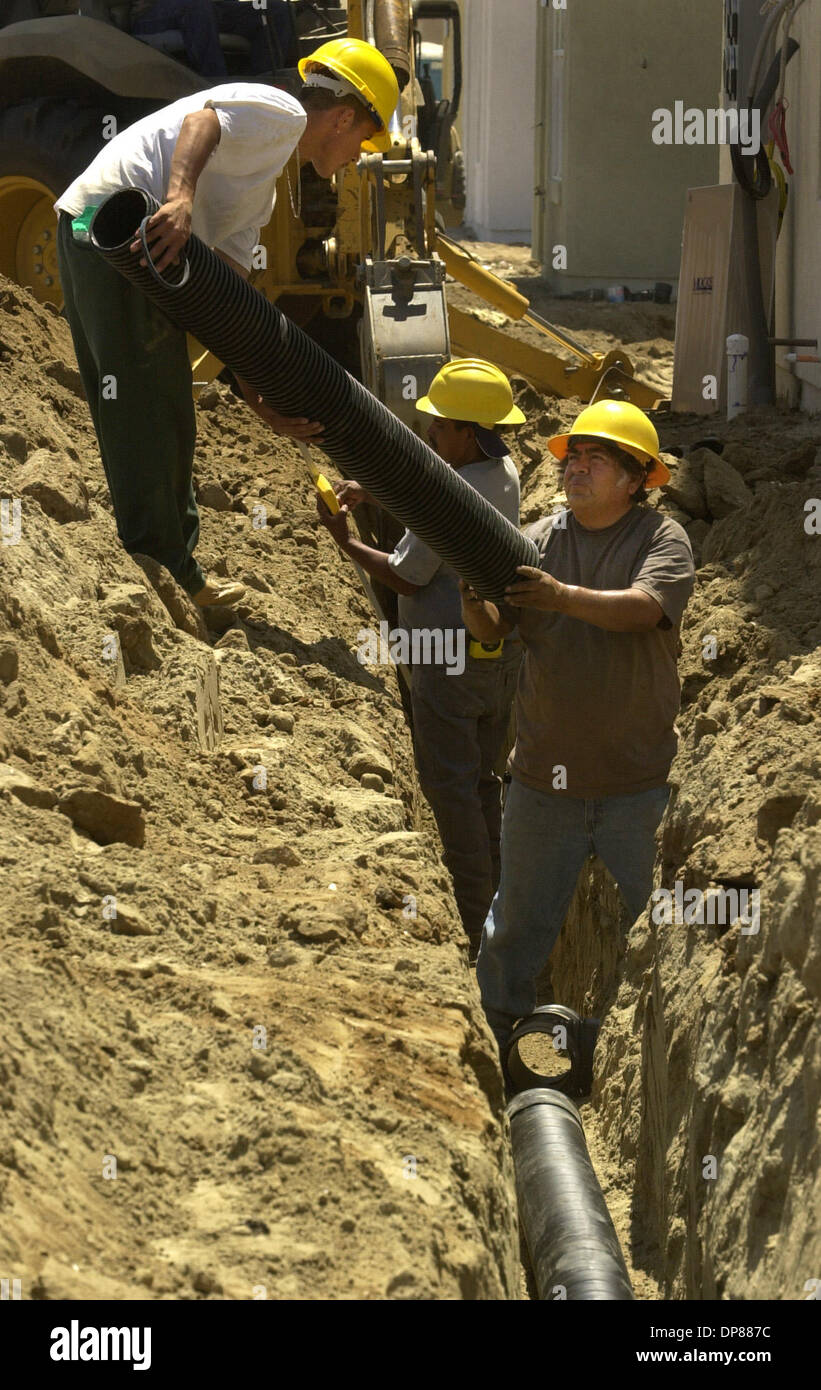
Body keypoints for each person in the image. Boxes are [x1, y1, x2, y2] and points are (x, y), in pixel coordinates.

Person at [55, 38, 398, 606]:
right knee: (148, 408)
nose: (360, 153)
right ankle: (168, 574)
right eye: (364, 136)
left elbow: (227, 302)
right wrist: (181, 197)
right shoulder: (282, 111)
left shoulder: (259, 191)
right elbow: (202, 121)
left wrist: (253, 391)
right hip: (115, 228)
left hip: (104, 232)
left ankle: (163, 566)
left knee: (154, 406)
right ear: (341, 117)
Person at [459, 399, 695, 1053]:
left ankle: (649, 1049)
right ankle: (499, 1046)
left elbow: (644, 610)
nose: (576, 469)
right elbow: (494, 631)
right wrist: (469, 599)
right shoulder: (539, 539)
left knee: (659, 929)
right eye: (572, 458)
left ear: (634, 477)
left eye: (595, 460)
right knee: (513, 932)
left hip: (636, 786)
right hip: (542, 783)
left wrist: (561, 597)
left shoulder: (660, 540)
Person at [316, 359, 524, 958]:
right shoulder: (498, 469)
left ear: (469, 431)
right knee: (485, 783)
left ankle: (472, 926)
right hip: (492, 658)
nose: (430, 434)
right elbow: (432, 489)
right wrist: (373, 490)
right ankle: (500, 907)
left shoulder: (460, 490)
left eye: (439, 426)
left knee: (450, 788)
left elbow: (407, 577)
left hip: (447, 664)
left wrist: (344, 539)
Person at [131, 0, 297, 79]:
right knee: (197, 6)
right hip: (152, 14)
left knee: (278, 10)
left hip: (215, 9)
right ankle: (217, 84)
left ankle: (264, 82)